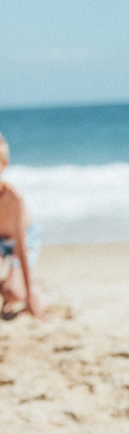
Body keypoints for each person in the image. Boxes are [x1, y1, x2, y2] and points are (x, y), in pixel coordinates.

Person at [0, 133, 44, 319]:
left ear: (4, 164)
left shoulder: (14, 198)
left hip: (24, 240)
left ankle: (31, 293)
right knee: (8, 289)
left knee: (13, 292)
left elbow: (21, 249)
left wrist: (29, 299)